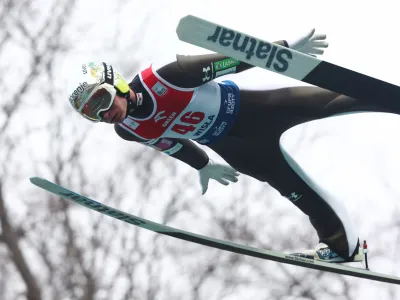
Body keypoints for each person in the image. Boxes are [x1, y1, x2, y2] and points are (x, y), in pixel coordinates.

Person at [67, 29, 390, 263]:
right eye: (92, 113)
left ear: (117, 84)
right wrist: (203, 165)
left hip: (257, 110)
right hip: (236, 148)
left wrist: (286, 50)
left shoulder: (168, 77)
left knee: (341, 101)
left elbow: (234, 61)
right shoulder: (128, 129)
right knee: (298, 191)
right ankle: (341, 247)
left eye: (102, 100)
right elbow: (170, 145)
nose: (104, 113)